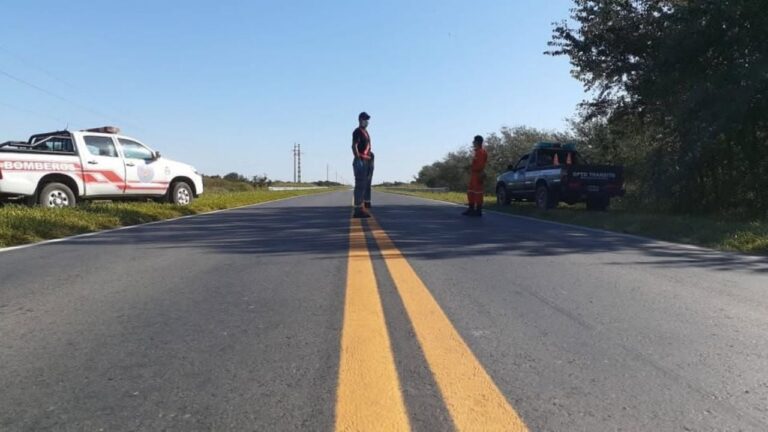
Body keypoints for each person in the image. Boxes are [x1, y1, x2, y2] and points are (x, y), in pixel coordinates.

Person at [352, 112, 373, 218]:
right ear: (360, 120)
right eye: (365, 119)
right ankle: (358, 209)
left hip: (368, 161)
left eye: (367, 120)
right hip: (361, 161)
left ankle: (364, 205)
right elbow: (354, 146)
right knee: (360, 185)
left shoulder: (365, 132)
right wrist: (358, 159)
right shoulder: (357, 131)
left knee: (365, 185)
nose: (367, 121)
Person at [463, 135, 488, 217]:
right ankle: (471, 209)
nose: (473, 142)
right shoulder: (477, 151)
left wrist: (473, 167)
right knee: (471, 191)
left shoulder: (481, 152)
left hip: (478, 174)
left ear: (477, 142)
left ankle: (478, 210)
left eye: (474, 141)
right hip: (474, 174)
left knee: (478, 193)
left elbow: (480, 165)